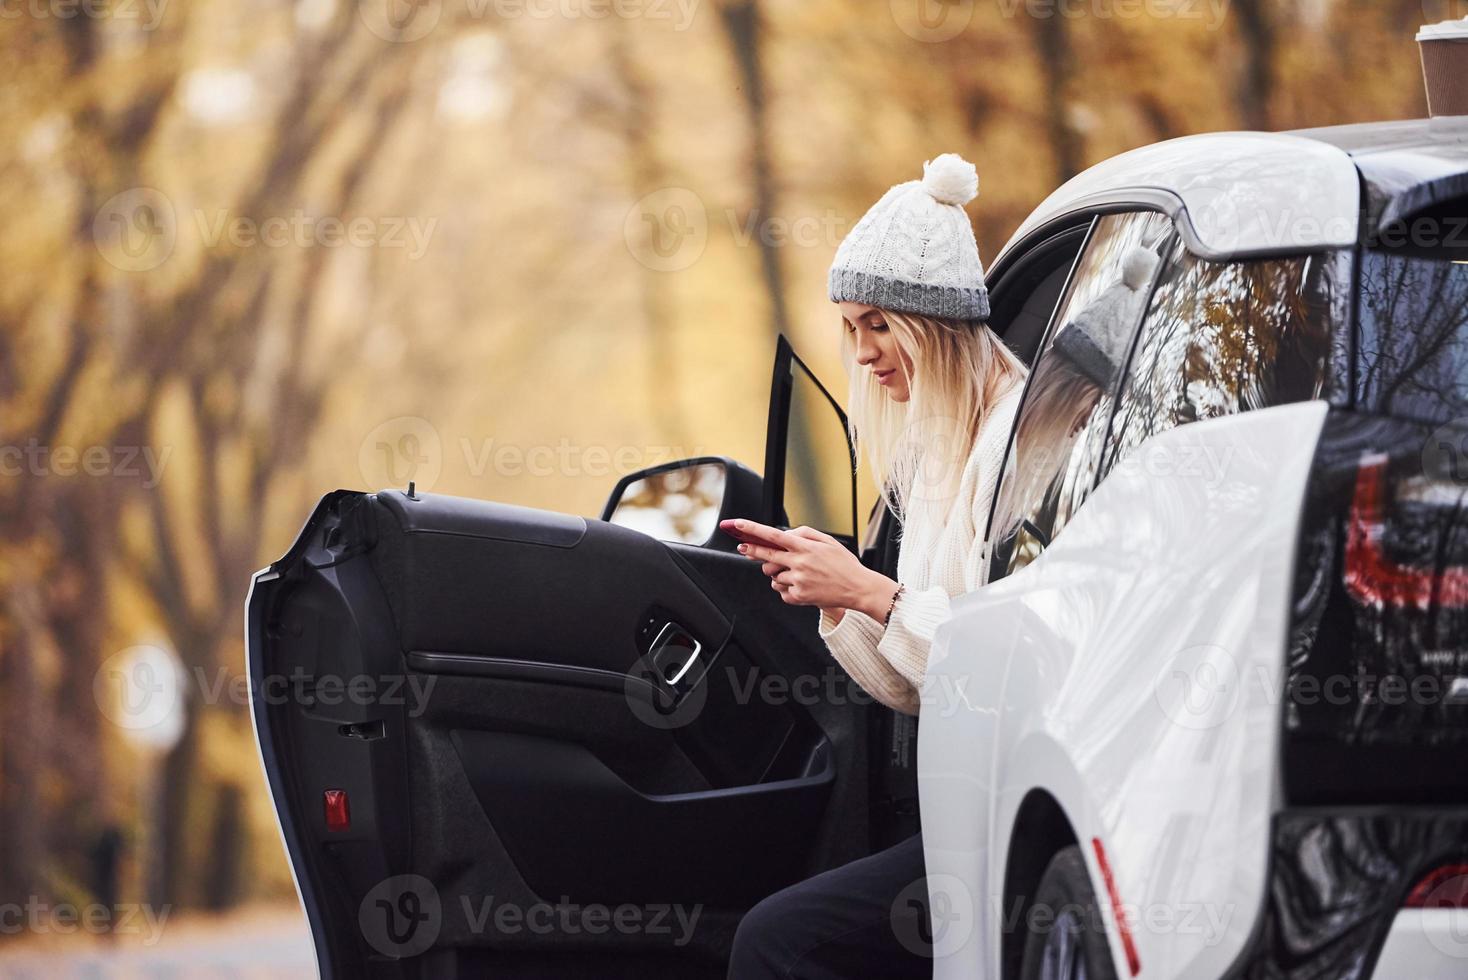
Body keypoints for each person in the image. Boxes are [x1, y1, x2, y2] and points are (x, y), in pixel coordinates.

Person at [723, 152, 1028, 978]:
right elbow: (916, 689)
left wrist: (874, 592)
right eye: (851, 329)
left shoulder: (1014, 441)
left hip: (1019, 808)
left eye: (877, 324)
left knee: (775, 940)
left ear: (934, 320)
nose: (861, 353)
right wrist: (836, 600)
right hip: (959, 800)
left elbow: (1009, 670)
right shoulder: (934, 451)